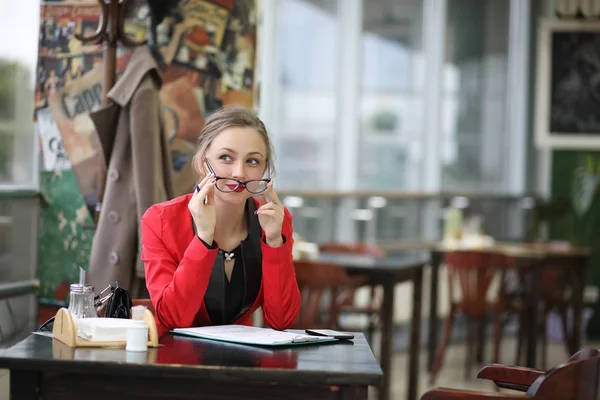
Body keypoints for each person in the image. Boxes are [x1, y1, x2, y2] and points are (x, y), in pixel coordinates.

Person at [140, 106, 301, 337]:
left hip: (243, 360)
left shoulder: (275, 220)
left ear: (265, 169)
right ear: (201, 163)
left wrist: (275, 241)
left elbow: (282, 320)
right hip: (176, 360)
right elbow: (173, 318)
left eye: (253, 161)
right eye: (226, 157)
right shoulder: (161, 220)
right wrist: (204, 239)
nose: (239, 173)